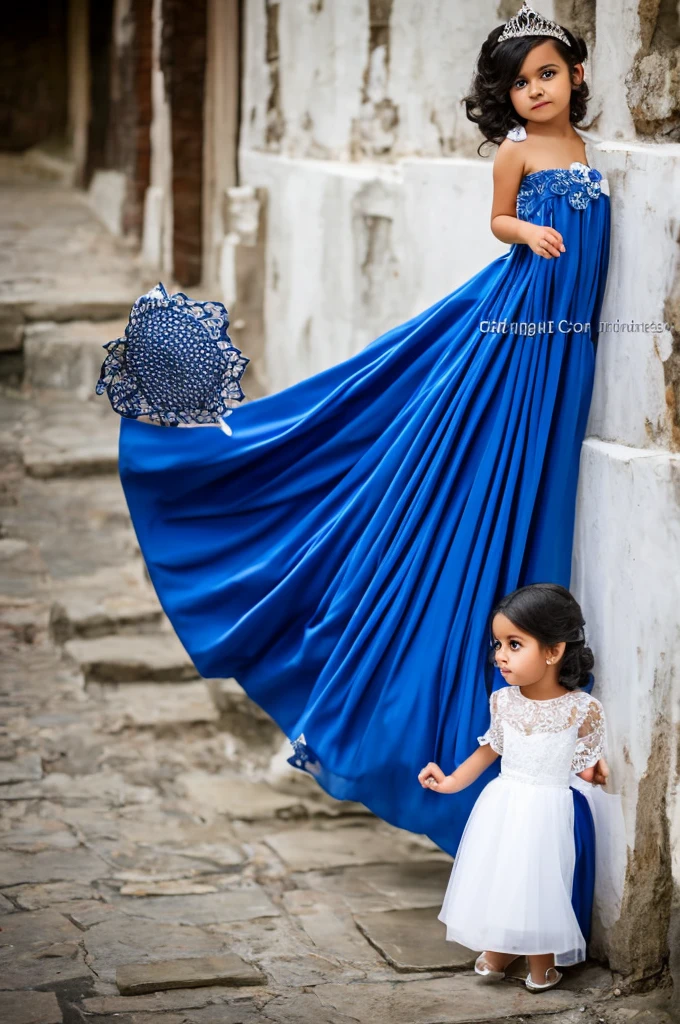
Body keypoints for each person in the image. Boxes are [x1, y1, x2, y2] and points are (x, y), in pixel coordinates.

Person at [96, 2, 611, 858]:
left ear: (577, 76)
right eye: (521, 83)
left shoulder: (587, 150)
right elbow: (499, 224)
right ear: (507, 99)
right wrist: (526, 228)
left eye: (548, 75)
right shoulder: (519, 154)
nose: (536, 91)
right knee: (407, 434)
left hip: (564, 342)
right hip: (523, 326)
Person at [419, 583, 609, 992]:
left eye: (514, 643)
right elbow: (488, 751)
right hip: (503, 803)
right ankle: (499, 952)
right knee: (503, 877)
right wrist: (450, 782)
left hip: (547, 809)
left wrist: (596, 771)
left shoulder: (582, 708)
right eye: (498, 643)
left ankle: (540, 966)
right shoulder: (504, 701)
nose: (500, 654)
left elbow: (584, 763)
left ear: (553, 651)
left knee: (538, 881)